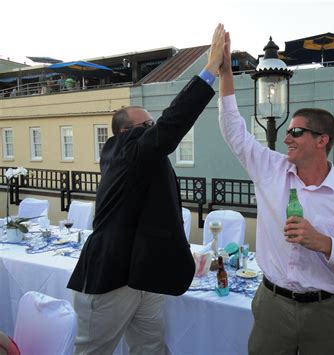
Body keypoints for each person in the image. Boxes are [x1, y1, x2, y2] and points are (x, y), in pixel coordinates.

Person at [218, 32, 334, 354]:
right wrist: (226, 75)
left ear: (322, 140)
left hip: (324, 312)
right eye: (287, 132)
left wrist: (326, 244)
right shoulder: (270, 170)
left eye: (296, 132)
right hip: (271, 304)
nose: (287, 138)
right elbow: (234, 132)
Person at [67, 23, 226, 354]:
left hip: (145, 275)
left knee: (151, 349)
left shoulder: (140, 156)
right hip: (111, 279)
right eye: (148, 125)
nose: (154, 129)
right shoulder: (124, 149)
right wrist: (209, 69)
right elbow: (172, 124)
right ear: (126, 132)